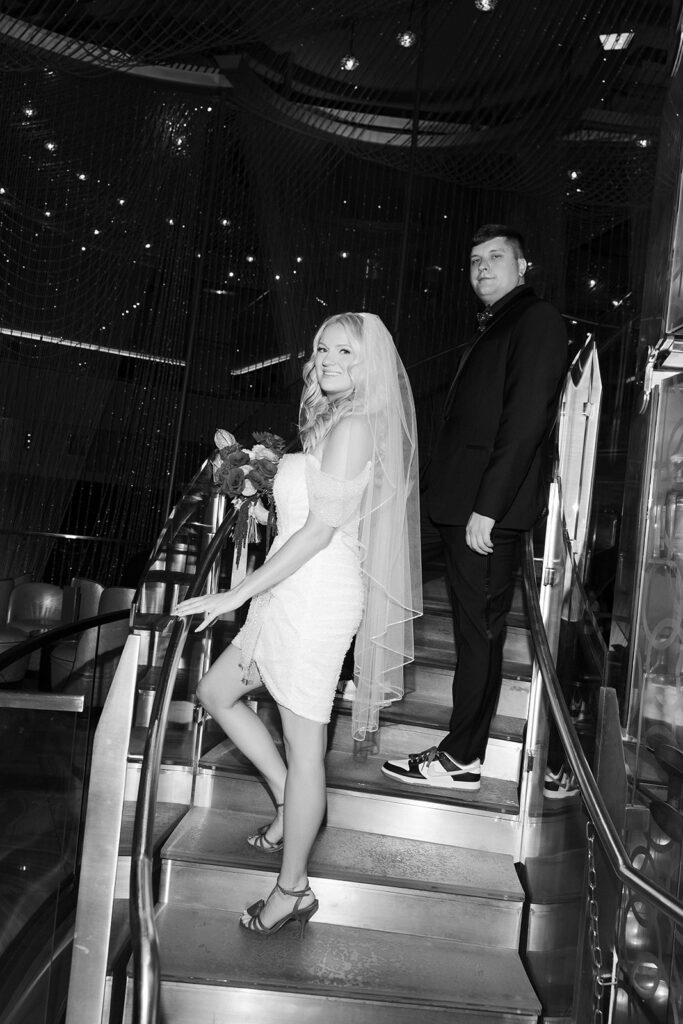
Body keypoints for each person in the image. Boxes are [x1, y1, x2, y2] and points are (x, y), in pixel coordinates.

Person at [174, 312, 421, 936]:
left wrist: (232, 594)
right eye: (322, 348)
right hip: (289, 590)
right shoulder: (333, 421)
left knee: (306, 748)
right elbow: (305, 515)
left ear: (370, 364)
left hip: (315, 597)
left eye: (346, 350)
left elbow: (318, 534)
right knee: (216, 692)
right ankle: (290, 799)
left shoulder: (358, 425)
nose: (330, 358)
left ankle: (293, 889)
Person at [382, 225, 567, 791]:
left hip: (483, 513)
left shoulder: (537, 320)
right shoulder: (498, 323)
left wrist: (488, 507)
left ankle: (463, 757)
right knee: (392, 582)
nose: (482, 268)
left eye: (495, 258)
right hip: (455, 503)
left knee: (477, 637)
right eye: (473, 260)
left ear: (522, 265)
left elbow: (526, 422)